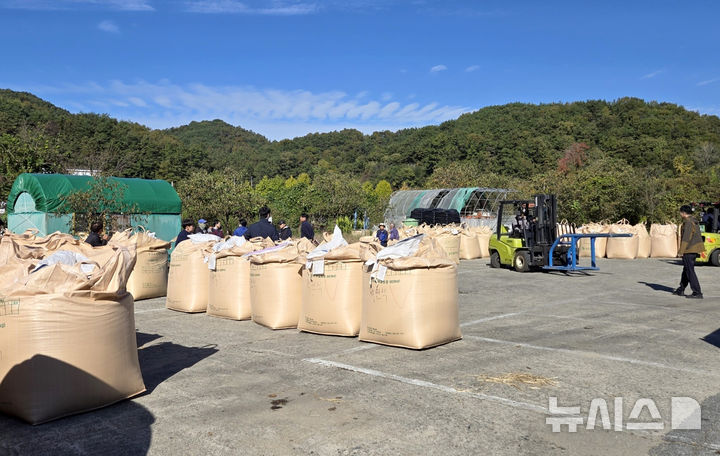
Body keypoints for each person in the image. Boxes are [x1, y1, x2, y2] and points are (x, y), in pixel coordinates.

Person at [673, 205, 704, 299]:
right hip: (694, 249)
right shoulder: (694, 220)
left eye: (680, 212)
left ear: (683, 212)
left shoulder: (688, 222)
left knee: (690, 271)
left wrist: (681, 251)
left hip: (689, 249)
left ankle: (697, 292)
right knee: (686, 269)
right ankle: (681, 289)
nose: (680, 214)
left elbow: (686, 238)